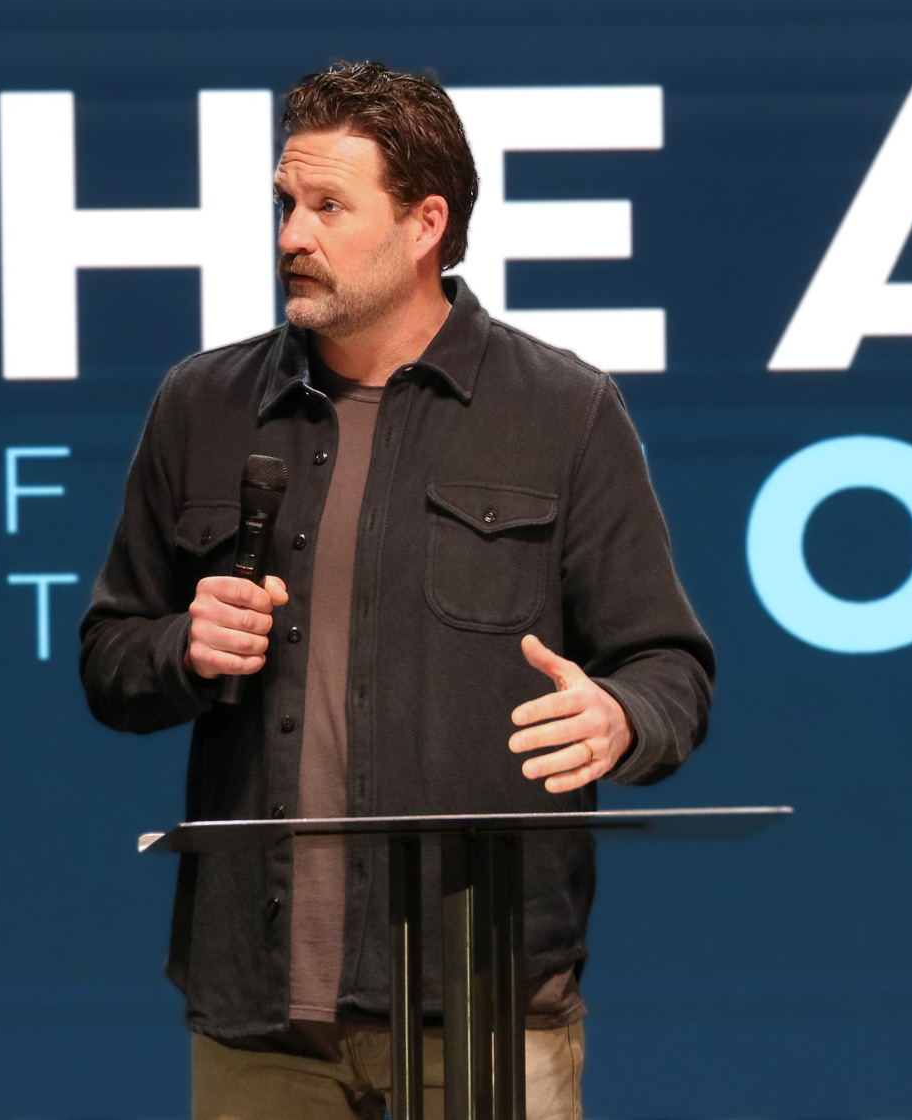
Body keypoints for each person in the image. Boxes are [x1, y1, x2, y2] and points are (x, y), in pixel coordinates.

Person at [79, 61, 714, 1120]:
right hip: (259, 1020)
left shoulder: (563, 411)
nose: (292, 234)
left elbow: (669, 668)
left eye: (329, 206)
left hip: (483, 1008)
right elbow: (110, 657)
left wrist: (617, 717)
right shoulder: (201, 404)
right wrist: (180, 647)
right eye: (285, 203)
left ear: (426, 223)